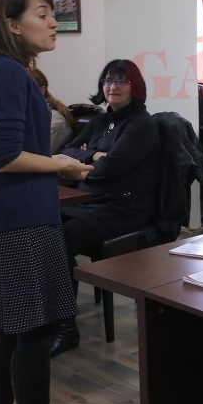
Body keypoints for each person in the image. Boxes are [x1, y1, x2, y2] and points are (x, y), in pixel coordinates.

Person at [0, 0, 92, 404]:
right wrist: (61, 164)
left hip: (1, 216)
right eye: (44, 15)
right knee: (33, 331)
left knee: (9, 330)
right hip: (19, 219)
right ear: (13, 25)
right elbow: (6, 156)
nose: (54, 24)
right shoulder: (8, 73)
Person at [52, 59, 160, 356]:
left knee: (58, 239)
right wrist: (93, 156)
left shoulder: (141, 124)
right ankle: (48, 313)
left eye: (121, 81)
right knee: (40, 226)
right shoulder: (102, 119)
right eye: (108, 80)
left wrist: (89, 160)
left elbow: (108, 171)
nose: (113, 86)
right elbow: (63, 154)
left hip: (122, 208)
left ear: (135, 86)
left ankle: (65, 327)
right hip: (90, 201)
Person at [29, 67, 76, 154]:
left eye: (27, 88)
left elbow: (39, 156)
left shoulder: (56, 121)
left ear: (42, 90)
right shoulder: (26, 116)